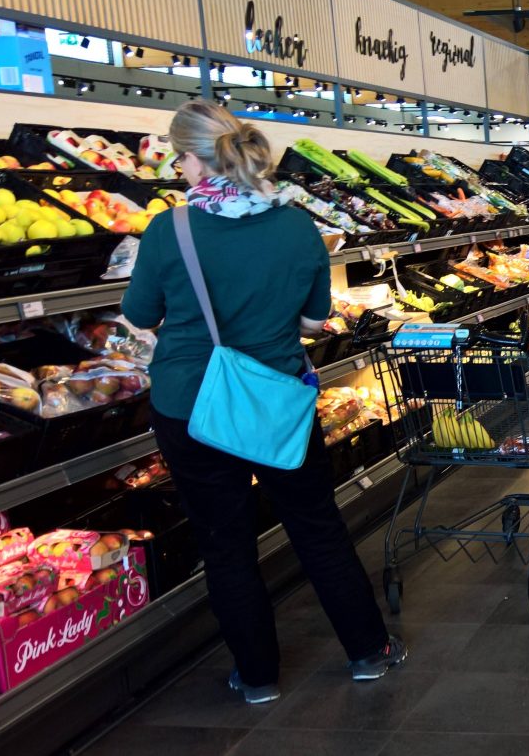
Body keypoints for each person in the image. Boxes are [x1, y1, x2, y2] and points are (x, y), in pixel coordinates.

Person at [122, 100, 404, 705]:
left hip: (190, 404)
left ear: (197, 161)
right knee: (317, 527)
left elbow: (140, 315)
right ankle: (367, 652)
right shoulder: (297, 225)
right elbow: (313, 318)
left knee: (225, 543)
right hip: (276, 402)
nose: (179, 169)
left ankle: (256, 677)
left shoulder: (169, 229)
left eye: (179, 158)